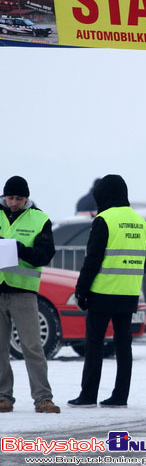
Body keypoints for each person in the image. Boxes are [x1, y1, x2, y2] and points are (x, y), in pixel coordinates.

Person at [68, 175, 146, 408]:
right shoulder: (139, 221)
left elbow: (93, 258)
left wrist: (82, 289)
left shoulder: (104, 219)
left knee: (94, 343)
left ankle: (88, 395)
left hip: (103, 291)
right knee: (124, 345)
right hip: (129, 291)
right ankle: (120, 396)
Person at [0, 176, 60, 413]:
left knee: (32, 346)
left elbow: (44, 255)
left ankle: (43, 398)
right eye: (10, 197)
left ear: (27, 197)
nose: (14, 203)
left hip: (23, 292)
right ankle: (3, 397)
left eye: (19, 198)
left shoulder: (40, 219)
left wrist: (20, 250)